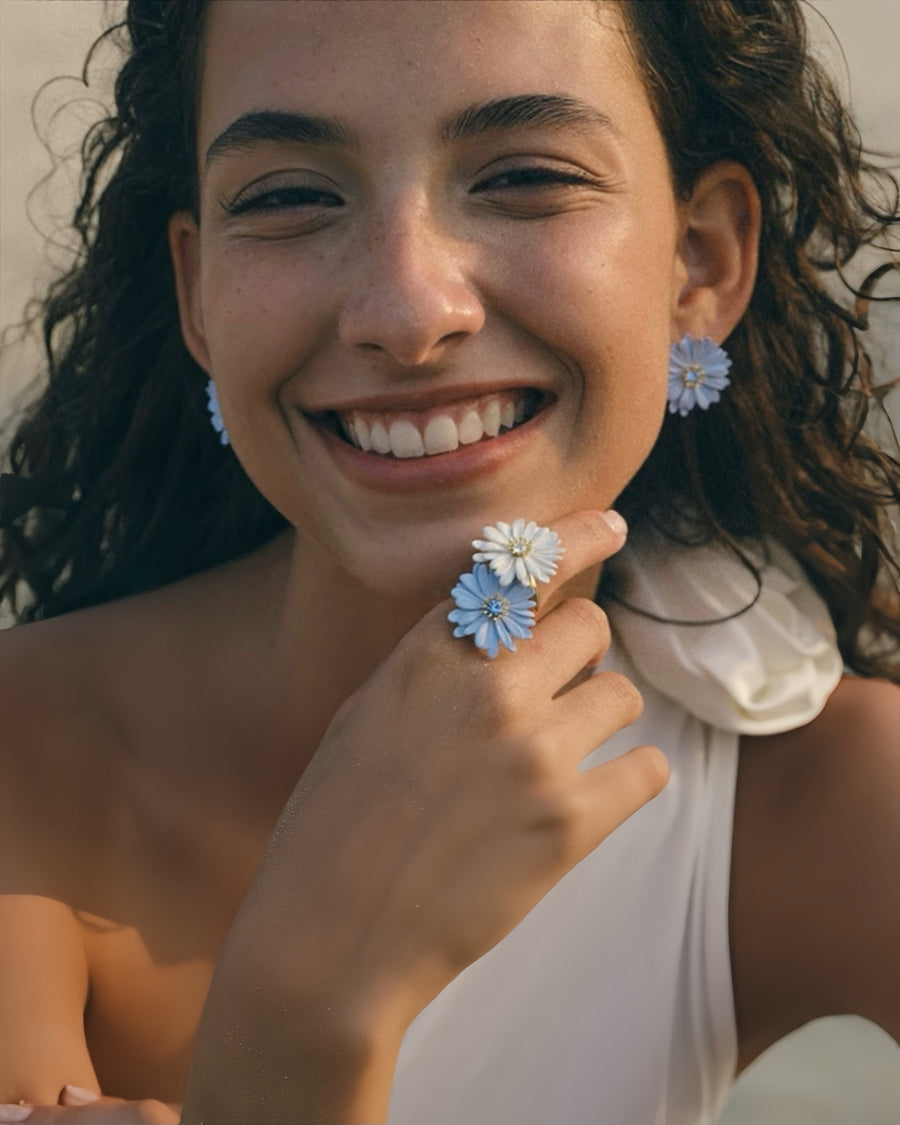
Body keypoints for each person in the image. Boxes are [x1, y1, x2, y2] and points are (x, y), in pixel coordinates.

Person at [0, 1, 898, 1122]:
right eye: (287, 197)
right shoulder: (23, 759)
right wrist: (308, 1006)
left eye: (525, 177)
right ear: (198, 297)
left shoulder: (814, 795)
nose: (407, 312)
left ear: (699, 262)